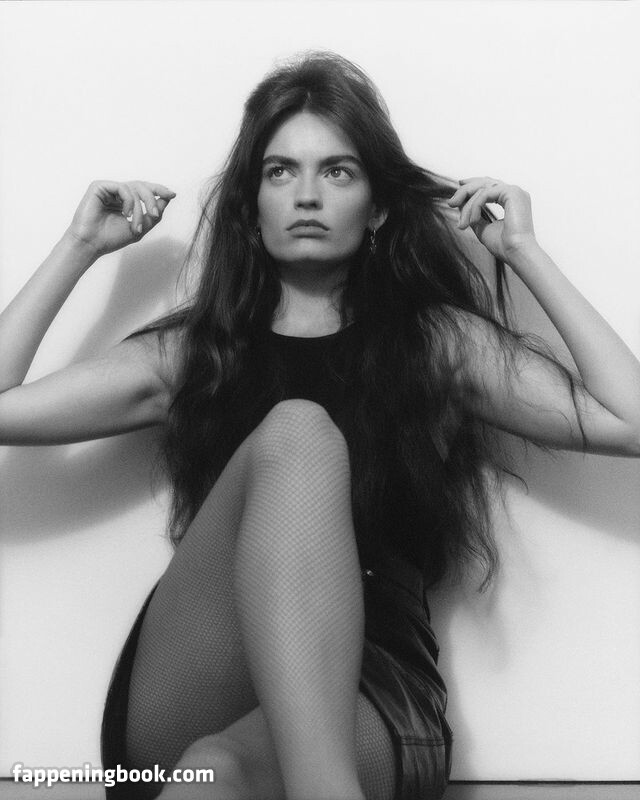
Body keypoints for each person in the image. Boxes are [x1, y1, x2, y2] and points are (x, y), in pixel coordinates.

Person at [1, 51, 639, 800]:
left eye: (337, 172)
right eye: (280, 172)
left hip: (377, 688)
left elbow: (629, 423)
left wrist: (523, 251)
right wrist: (79, 247)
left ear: (378, 208)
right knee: (297, 432)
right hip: (199, 673)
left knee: (216, 773)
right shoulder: (195, 354)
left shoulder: (436, 344)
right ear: (252, 206)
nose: (306, 195)